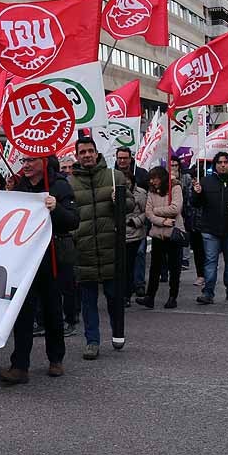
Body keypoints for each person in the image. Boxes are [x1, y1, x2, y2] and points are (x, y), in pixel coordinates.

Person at [0, 155, 79, 385]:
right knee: (22, 313)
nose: (25, 165)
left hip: (52, 259)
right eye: (23, 160)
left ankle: (55, 359)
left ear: (43, 163)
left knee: (52, 310)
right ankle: (19, 365)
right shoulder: (19, 186)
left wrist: (56, 209)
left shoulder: (60, 186)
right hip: (24, 259)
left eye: (31, 161)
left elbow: (73, 221)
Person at [70, 136, 133, 361]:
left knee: (114, 297)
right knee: (87, 301)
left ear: (96, 153)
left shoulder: (115, 177)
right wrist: (75, 236)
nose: (87, 155)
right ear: (77, 155)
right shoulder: (70, 183)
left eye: (90, 151)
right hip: (84, 250)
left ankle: (117, 333)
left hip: (110, 248)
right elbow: (68, 216)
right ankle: (92, 342)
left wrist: (121, 200)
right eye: (82, 152)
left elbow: (131, 205)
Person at [192, 152, 228, 304]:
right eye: (219, 162)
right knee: (210, 262)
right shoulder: (206, 182)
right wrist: (197, 193)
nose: (222, 165)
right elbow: (195, 204)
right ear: (215, 165)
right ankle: (208, 293)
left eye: (225, 162)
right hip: (210, 228)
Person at [137, 166, 184, 309]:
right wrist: (162, 220)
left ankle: (172, 296)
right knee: (155, 268)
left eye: (155, 178)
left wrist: (156, 211)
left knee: (174, 267)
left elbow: (175, 208)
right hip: (158, 233)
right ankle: (150, 296)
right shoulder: (151, 192)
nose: (152, 181)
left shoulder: (175, 189)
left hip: (173, 233)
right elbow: (148, 214)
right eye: (150, 179)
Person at [115, 148, 147, 296]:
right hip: (117, 230)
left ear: (130, 159)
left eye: (125, 158)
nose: (122, 161)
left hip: (136, 229)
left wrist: (137, 221)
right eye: (120, 158)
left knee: (139, 255)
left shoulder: (141, 174)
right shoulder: (110, 174)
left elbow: (148, 206)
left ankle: (138, 284)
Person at [122, 172, 147, 307]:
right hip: (119, 234)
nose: (126, 183)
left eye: (128, 181)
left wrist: (136, 221)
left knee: (130, 264)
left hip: (135, 234)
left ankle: (128, 293)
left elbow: (146, 211)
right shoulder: (115, 192)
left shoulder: (141, 193)